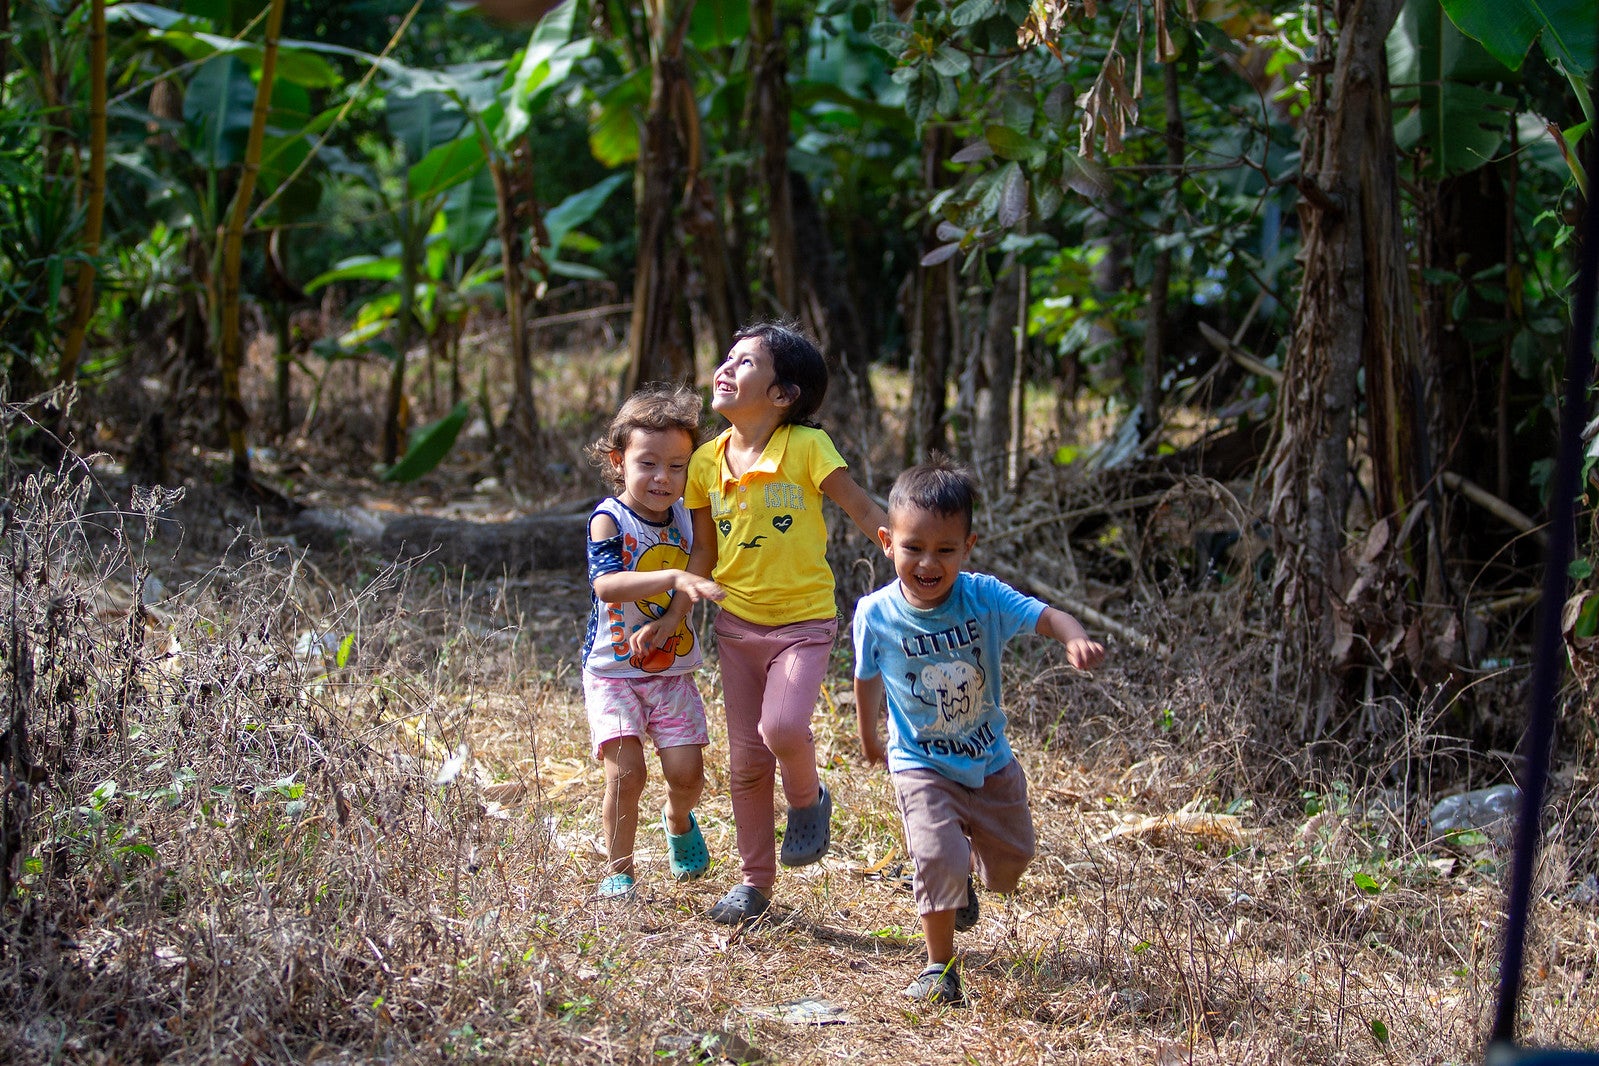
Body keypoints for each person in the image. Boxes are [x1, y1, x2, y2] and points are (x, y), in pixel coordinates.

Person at [647, 321, 888, 925]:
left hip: (803, 623)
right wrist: (680, 608)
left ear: (783, 394)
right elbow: (702, 551)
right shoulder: (705, 462)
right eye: (726, 358)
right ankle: (755, 884)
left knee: (783, 728)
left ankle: (808, 799)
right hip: (735, 627)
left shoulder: (807, 448)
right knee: (746, 761)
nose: (725, 369)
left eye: (745, 362)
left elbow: (859, 506)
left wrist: (910, 554)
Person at [852, 457, 1105, 1005]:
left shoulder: (984, 596)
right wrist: (870, 737)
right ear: (887, 542)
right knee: (937, 856)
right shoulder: (875, 613)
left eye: (945, 550)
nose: (928, 562)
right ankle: (938, 969)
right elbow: (867, 678)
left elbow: (1047, 615)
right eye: (913, 547)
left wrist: (1073, 636)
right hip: (919, 762)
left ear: (968, 547)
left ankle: (971, 873)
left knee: (1010, 870)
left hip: (989, 759)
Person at [581, 383, 726, 900]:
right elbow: (607, 585)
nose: (663, 478)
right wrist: (672, 582)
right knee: (627, 773)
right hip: (613, 671)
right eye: (648, 464)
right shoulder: (609, 519)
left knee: (687, 774)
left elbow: (702, 558)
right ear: (619, 461)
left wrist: (672, 618)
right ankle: (619, 871)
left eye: (677, 466)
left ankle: (678, 817)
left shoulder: (687, 516)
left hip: (672, 670)